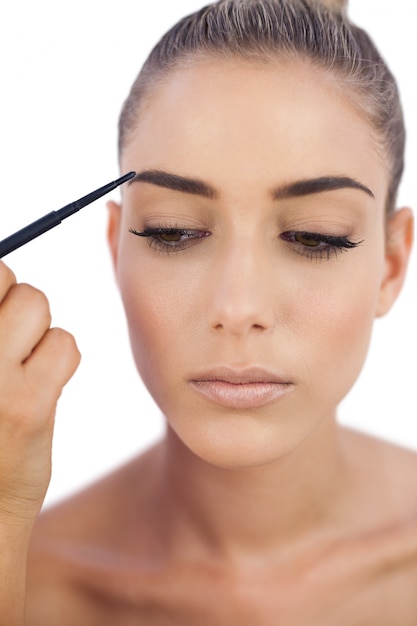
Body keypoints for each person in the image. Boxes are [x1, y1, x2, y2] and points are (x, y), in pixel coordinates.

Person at [0, 0, 415, 622]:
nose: (237, 308)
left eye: (314, 236)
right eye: (173, 231)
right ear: (116, 249)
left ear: (390, 265)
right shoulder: (25, 585)